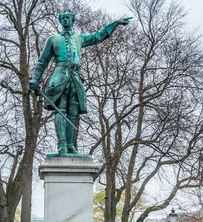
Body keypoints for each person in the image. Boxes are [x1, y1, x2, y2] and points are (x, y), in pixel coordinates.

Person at [29, 10, 132, 155]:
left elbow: (98, 36)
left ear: (72, 20)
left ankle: (70, 145)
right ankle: (62, 146)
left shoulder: (79, 38)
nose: (65, 20)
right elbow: (42, 61)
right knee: (61, 108)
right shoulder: (53, 39)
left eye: (68, 18)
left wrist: (115, 24)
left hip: (76, 77)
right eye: (63, 18)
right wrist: (35, 78)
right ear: (60, 21)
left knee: (73, 111)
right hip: (59, 76)